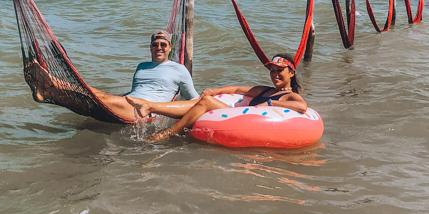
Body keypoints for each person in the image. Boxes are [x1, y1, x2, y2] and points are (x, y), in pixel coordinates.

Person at [131, 53, 307, 142]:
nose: (275, 74)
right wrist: (214, 91)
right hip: (235, 114)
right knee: (204, 100)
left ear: (291, 72)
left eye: (279, 70)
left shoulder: (288, 95)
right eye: (272, 70)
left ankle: (166, 133)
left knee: (205, 102)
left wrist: (270, 103)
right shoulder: (264, 89)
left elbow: (302, 107)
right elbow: (237, 88)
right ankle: (150, 107)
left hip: (241, 118)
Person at [86, 30, 199, 122]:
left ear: (170, 48)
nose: (159, 47)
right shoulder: (141, 66)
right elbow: (137, 90)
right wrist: (116, 96)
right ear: (150, 48)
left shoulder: (179, 69)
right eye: (155, 45)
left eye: (163, 44)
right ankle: (69, 86)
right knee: (94, 92)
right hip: (128, 102)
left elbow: (194, 100)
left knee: (99, 97)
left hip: (142, 110)